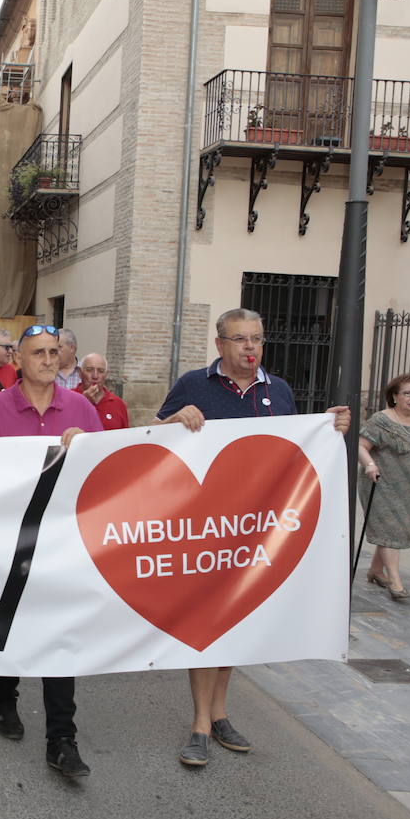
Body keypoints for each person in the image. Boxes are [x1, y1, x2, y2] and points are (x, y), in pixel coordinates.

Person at [156, 307, 350, 768]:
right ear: (220, 344)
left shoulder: (278, 390)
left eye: (257, 339)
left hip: (257, 531)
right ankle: (201, 724)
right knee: (207, 621)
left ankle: (220, 714)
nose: (250, 348)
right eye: (240, 339)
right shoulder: (193, 384)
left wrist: (330, 429)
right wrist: (174, 419)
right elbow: (152, 438)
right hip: (206, 527)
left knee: (236, 620)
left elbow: (294, 451)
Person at [0, 324, 102, 778]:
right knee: (6, 623)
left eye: (54, 351)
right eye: (37, 353)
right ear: (18, 361)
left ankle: (61, 739)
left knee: (57, 635)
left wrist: (85, 450)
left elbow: (109, 469)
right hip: (9, 540)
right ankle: (3, 699)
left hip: (62, 544)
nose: (48, 359)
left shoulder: (82, 409)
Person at [358, 374, 410, 602]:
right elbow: (361, 446)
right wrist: (370, 465)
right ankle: (395, 581)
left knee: (397, 528)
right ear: (395, 396)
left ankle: (375, 570)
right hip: (380, 482)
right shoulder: (381, 420)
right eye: (408, 393)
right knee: (389, 527)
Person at [74, 352, 129, 430]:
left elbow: (125, 437)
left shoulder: (118, 404)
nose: (95, 376)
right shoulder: (67, 398)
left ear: (106, 375)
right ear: (80, 372)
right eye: (89, 370)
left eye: (100, 371)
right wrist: (82, 402)